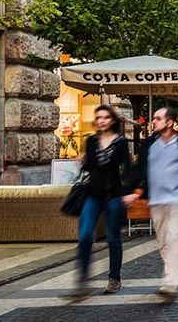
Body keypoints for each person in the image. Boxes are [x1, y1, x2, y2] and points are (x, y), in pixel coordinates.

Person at [122, 107, 178, 298]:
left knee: (173, 237)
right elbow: (142, 170)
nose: (153, 122)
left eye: (157, 119)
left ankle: (172, 279)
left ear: (169, 122)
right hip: (156, 200)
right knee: (163, 241)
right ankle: (174, 274)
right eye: (153, 119)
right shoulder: (149, 144)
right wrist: (135, 192)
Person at [70, 105, 131, 299]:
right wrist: (84, 161)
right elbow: (91, 167)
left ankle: (114, 279)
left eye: (105, 117)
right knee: (86, 234)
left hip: (113, 195)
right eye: (99, 117)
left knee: (113, 237)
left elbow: (126, 168)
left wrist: (130, 192)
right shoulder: (91, 141)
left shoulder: (121, 143)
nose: (102, 121)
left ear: (112, 120)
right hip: (92, 194)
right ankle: (82, 281)